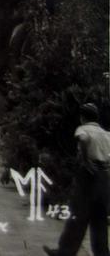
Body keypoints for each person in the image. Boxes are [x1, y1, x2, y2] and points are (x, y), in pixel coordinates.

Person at [44, 103, 110, 256]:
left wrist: (86, 160)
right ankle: (102, 253)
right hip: (104, 176)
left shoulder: (83, 129)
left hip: (88, 175)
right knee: (99, 218)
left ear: (83, 117)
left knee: (77, 216)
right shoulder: (106, 134)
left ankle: (64, 252)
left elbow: (83, 138)